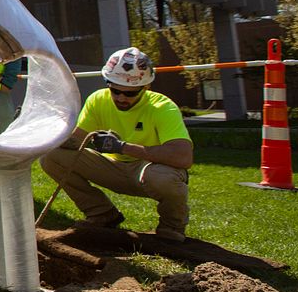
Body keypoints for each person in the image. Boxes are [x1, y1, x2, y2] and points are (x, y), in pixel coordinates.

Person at [39, 46, 192, 242]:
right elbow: (77, 140)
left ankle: (172, 226)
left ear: (145, 88)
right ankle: (102, 213)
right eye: (115, 90)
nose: (121, 98)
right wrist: (43, 130)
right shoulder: (98, 100)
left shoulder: (162, 107)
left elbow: (183, 157)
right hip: (113, 168)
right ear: (107, 83)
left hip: (149, 171)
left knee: (163, 177)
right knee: (51, 157)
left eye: (129, 94)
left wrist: (122, 147)